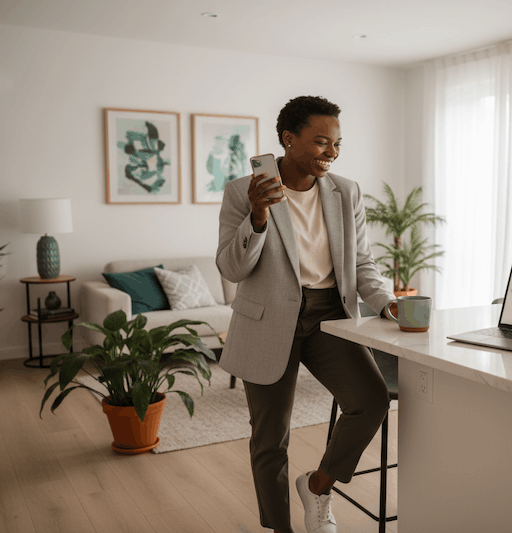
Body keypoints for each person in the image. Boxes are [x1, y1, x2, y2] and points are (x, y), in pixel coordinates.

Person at [216, 95, 398, 533]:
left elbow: (361, 263)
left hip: (329, 317)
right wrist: (258, 217)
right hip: (268, 320)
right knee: (270, 439)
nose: (330, 153)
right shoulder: (243, 191)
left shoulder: (345, 191)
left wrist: (386, 302)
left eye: (337, 145)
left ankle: (317, 487)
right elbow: (231, 267)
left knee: (371, 401)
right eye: (321, 143)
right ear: (288, 139)